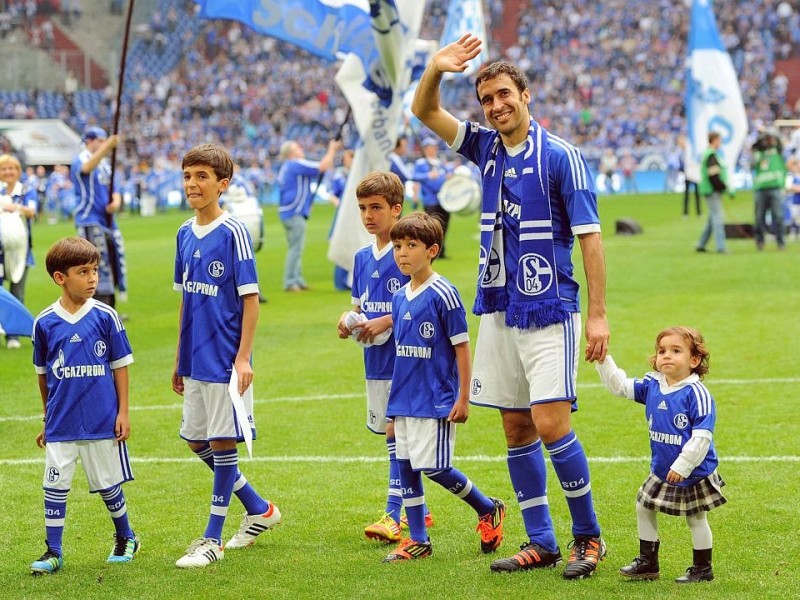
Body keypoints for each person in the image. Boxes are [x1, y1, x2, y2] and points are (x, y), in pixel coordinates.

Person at [412, 36, 609, 579]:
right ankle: (541, 542)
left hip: (550, 306)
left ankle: (588, 539)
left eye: (504, 95)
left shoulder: (562, 157)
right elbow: (424, 109)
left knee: (550, 424)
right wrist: (434, 68)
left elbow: (591, 237)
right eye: (487, 100)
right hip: (498, 303)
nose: (496, 107)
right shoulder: (484, 148)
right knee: (517, 428)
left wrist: (597, 314)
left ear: (526, 95)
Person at [172, 144, 281, 568]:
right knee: (196, 440)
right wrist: (179, 358)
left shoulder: (233, 231)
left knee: (221, 441)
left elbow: (250, 300)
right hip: (195, 358)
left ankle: (211, 540)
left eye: (202, 176)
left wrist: (243, 358)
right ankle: (259, 508)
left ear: (223, 184)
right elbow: (186, 300)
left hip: (224, 357)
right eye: (187, 176)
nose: (192, 184)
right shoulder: (183, 233)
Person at [382, 212, 505, 563]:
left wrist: (464, 397)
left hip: (435, 398)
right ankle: (418, 539)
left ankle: (486, 507)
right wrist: (392, 408)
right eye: (397, 246)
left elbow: (462, 347)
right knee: (405, 465)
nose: (402, 253)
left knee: (434, 467)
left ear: (432, 250)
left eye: (411, 246)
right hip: (404, 398)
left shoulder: (444, 294)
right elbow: (400, 354)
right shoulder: (400, 295)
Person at [30, 236, 138, 575]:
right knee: (54, 484)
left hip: (101, 418)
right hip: (61, 422)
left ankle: (126, 536)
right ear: (60, 277)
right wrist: (47, 418)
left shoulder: (106, 316)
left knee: (108, 484)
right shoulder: (44, 322)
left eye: (94, 270)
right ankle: (53, 551)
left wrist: (123, 411)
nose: (93, 278)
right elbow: (43, 375)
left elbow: (120, 365)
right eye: (83, 272)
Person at [596, 326, 726, 583]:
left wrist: (683, 466)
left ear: (694, 360)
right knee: (643, 506)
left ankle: (702, 568)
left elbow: (701, 438)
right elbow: (620, 387)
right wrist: (603, 360)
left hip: (693, 471)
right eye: (661, 351)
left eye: (675, 351)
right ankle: (648, 562)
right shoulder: (653, 384)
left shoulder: (697, 394)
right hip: (662, 468)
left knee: (696, 518)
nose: (666, 356)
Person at [337, 171, 412, 543]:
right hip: (375, 363)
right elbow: (359, 306)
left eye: (376, 208)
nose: (368, 215)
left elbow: (420, 303)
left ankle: (393, 513)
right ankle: (420, 508)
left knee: (397, 431)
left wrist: (386, 320)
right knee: (399, 436)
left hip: (409, 358)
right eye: (363, 208)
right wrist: (348, 320)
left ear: (396, 210)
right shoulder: (362, 257)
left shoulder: (407, 251)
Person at [70, 126, 127, 308]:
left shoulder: (104, 165)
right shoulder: (82, 159)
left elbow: (115, 188)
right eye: (99, 141)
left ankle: (110, 309)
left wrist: (116, 202)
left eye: (104, 140)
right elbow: (86, 168)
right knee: (94, 265)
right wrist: (108, 146)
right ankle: (95, 308)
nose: (103, 144)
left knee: (113, 263)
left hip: (108, 220)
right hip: (89, 218)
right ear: (89, 141)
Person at [276, 138, 340, 292]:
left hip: (289, 210)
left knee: (295, 247)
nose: (300, 148)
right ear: (291, 153)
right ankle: (290, 281)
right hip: (294, 211)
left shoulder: (287, 166)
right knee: (296, 248)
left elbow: (301, 185)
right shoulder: (296, 163)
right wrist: (332, 149)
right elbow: (324, 166)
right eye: (297, 147)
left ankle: (297, 279)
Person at [0, 153, 38, 348]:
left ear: (18, 171)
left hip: (21, 251)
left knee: (17, 292)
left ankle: (13, 335)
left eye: (11, 168)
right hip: (0, 250)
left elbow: (32, 211)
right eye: (4, 169)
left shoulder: (26, 191)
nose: (8, 172)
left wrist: (12, 207)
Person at [412, 137, 452, 258]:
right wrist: (428, 175)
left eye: (434, 147)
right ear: (425, 149)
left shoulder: (439, 163)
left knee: (444, 225)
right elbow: (414, 176)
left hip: (444, 200)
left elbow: (447, 174)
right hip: (431, 200)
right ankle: (432, 251)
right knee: (433, 226)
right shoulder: (421, 163)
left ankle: (441, 250)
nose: (433, 149)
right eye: (430, 147)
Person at [695, 132, 732, 254]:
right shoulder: (711, 155)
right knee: (718, 217)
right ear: (715, 140)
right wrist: (723, 186)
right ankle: (721, 246)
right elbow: (713, 175)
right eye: (719, 140)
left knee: (712, 218)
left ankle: (701, 244)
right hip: (712, 190)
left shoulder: (709, 154)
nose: (720, 143)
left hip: (708, 189)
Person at [751, 129, 787, 250]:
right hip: (761, 189)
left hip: (774, 188)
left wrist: (771, 135)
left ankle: (781, 241)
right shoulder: (758, 155)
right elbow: (752, 160)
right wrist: (759, 141)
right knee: (759, 217)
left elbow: (780, 144)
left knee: (778, 216)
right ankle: (760, 241)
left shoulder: (776, 152)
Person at [328, 149, 354, 291]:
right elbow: (332, 194)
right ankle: (340, 282)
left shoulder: (354, 174)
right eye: (349, 158)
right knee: (342, 244)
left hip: (353, 214)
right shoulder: (340, 174)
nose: (351, 161)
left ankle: (348, 280)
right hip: (343, 216)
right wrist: (338, 204)